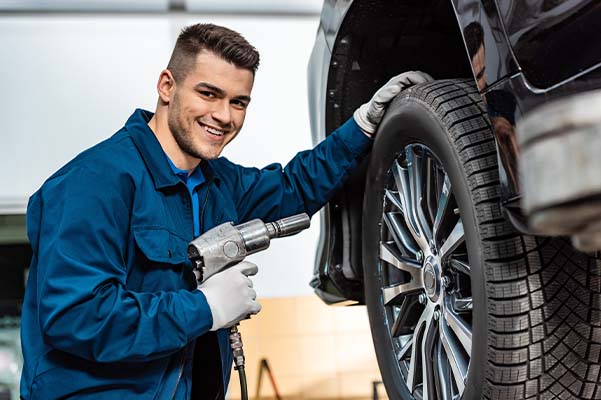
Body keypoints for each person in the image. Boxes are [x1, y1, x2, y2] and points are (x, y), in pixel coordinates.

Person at [20, 23, 431, 399]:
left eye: (239, 102)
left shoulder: (218, 183)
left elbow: (293, 186)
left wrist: (360, 126)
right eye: (208, 94)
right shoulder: (93, 183)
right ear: (167, 86)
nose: (224, 116)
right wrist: (205, 308)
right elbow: (78, 316)